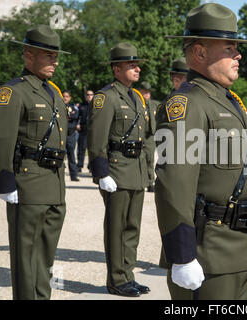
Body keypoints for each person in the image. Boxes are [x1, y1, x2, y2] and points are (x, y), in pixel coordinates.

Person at [155, 3, 247, 300]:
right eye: (229, 47)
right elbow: (172, 184)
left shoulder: (229, 102)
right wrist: (182, 255)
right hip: (208, 254)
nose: (238, 54)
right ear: (200, 53)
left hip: (242, 248)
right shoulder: (187, 105)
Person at [0, 25, 70, 300]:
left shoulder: (54, 93)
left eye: (56, 55)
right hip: (29, 182)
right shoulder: (14, 92)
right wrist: (4, 182)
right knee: (26, 258)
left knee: (45, 256)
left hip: (54, 185)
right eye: (48, 55)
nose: (54, 61)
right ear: (28, 55)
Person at [87, 42, 151, 297]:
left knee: (132, 227)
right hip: (116, 169)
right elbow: (96, 138)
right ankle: (116, 279)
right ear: (116, 69)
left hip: (135, 169)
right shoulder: (107, 97)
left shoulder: (136, 97)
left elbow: (145, 137)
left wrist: (147, 171)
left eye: (137, 65)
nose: (137, 69)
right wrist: (102, 173)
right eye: (131, 64)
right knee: (116, 227)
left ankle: (128, 275)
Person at [137, 81, 159, 192]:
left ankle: (150, 182)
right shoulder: (136, 103)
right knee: (139, 160)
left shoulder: (154, 105)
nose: (147, 94)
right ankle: (140, 181)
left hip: (150, 136)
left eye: (148, 92)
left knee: (150, 160)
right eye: (144, 92)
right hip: (139, 135)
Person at [63, 90, 80, 181]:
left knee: (71, 156)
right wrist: (68, 116)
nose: (65, 98)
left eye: (67, 96)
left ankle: (73, 175)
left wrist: (67, 116)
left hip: (71, 135)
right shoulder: (59, 106)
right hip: (61, 135)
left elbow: (75, 116)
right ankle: (59, 175)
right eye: (63, 96)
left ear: (69, 98)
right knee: (60, 155)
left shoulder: (73, 107)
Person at [77, 89, 93, 172]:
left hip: (93, 130)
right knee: (81, 148)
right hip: (83, 129)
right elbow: (77, 116)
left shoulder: (96, 105)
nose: (89, 96)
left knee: (92, 149)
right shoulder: (81, 106)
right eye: (88, 94)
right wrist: (77, 124)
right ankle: (79, 166)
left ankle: (91, 166)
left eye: (91, 94)